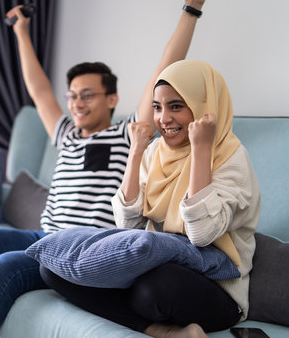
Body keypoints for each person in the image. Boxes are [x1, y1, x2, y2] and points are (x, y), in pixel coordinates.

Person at [0, 0, 210, 337]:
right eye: (72, 97)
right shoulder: (66, 135)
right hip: (41, 237)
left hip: (81, 248)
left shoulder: (128, 133)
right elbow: (38, 88)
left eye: (87, 95)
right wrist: (22, 31)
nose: (77, 103)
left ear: (112, 99)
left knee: (6, 267)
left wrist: (191, 8)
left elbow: (165, 69)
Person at [39, 59, 261, 338]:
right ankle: (160, 330)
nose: (163, 119)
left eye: (176, 106)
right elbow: (127, 226)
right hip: (151, 268)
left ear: (206, 108)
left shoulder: (231, 157)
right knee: (53, 269)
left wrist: (201, 150)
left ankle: (147, 313)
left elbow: (201, 234)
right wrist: (136, 153)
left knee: (155, 287)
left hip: (215, 291)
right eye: (157, 107)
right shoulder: (155, 152)